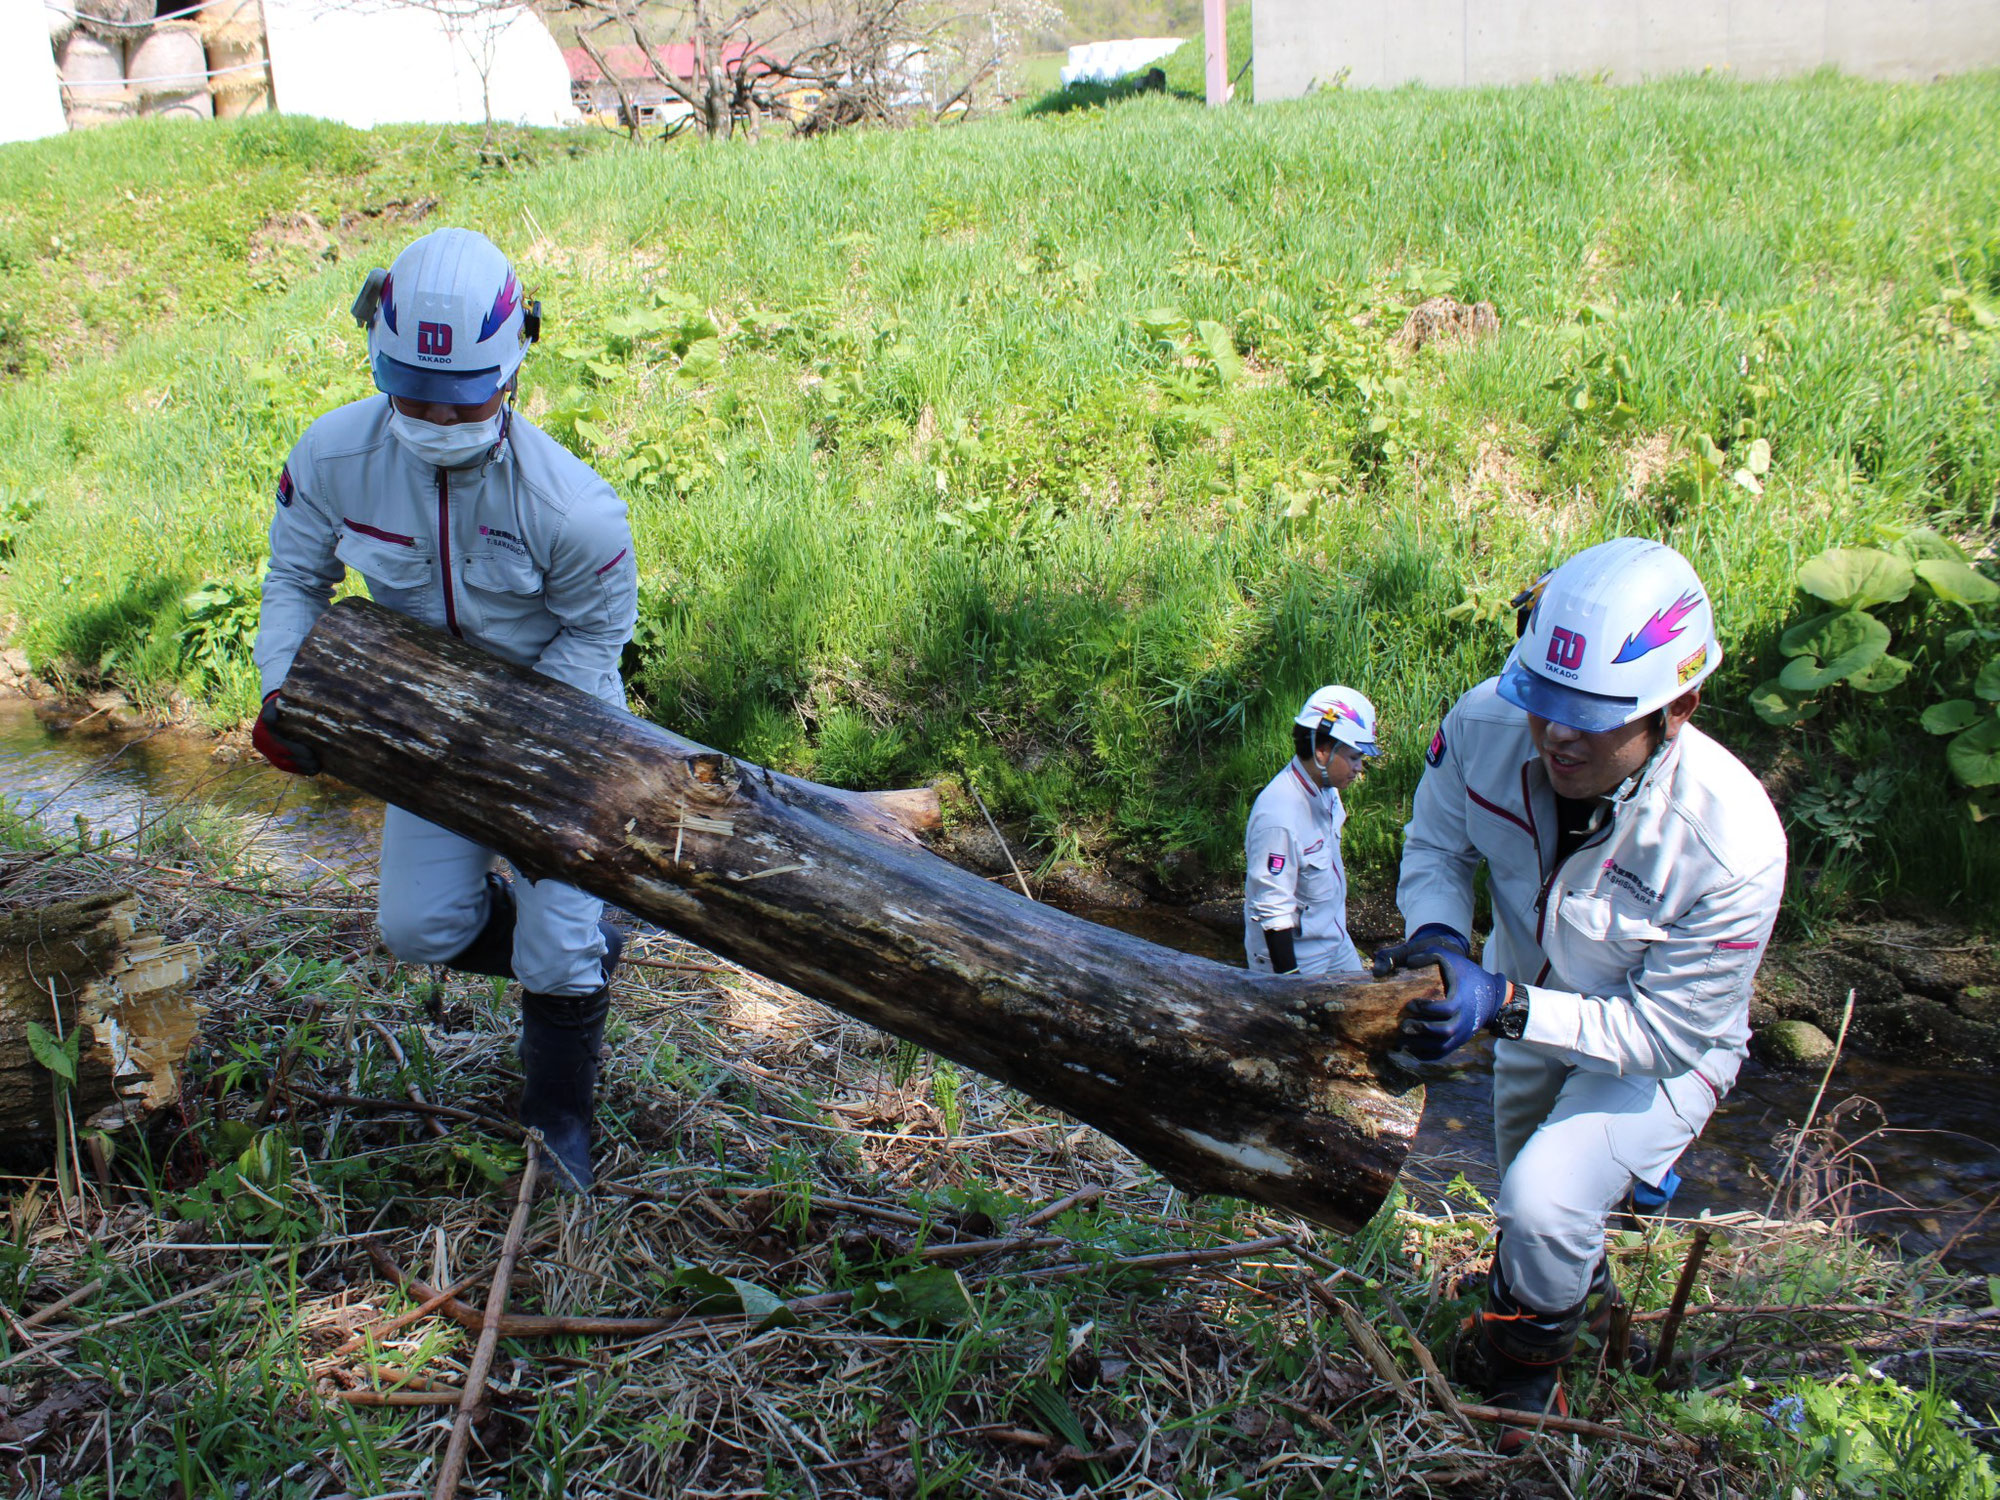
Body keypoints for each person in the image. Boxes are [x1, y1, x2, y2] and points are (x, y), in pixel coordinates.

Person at [249, 227, 640, 1192]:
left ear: (512, 371)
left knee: (555, 954)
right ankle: (585, 943)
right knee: (418, 931)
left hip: (560, 730)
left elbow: (596, 642)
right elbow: (294, 577)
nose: (433, 414)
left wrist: (514, 743)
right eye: (411, 393)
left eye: (461, 398)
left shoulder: (573, 507)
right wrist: (284, 692)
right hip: (418, 730)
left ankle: (559, 1122)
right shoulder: (335, 456)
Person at [1374, 537, 1785, 1448]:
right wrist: (1442, 942)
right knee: (1530, 1199)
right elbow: (1437, 849)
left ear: (1678, 707)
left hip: (1665, 1048)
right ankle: (1588, 1319)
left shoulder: (1730, 842)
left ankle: (1525, 1383)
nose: (1557, 734)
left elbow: (1668, 1034)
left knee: (1544, 1198)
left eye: (1591, 718)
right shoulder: (1484, 727)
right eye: (1544, 704)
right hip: (1523, 1008)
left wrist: (1506, 1003)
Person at [1243, 687, 1381, 976]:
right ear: (1322, 750)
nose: (1359, 768)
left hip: (1335, 939)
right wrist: (1290, 984)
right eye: (1354, 757)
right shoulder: (1279, 814)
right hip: (1299, 958)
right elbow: (1272, 907)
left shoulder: (1326, 789)